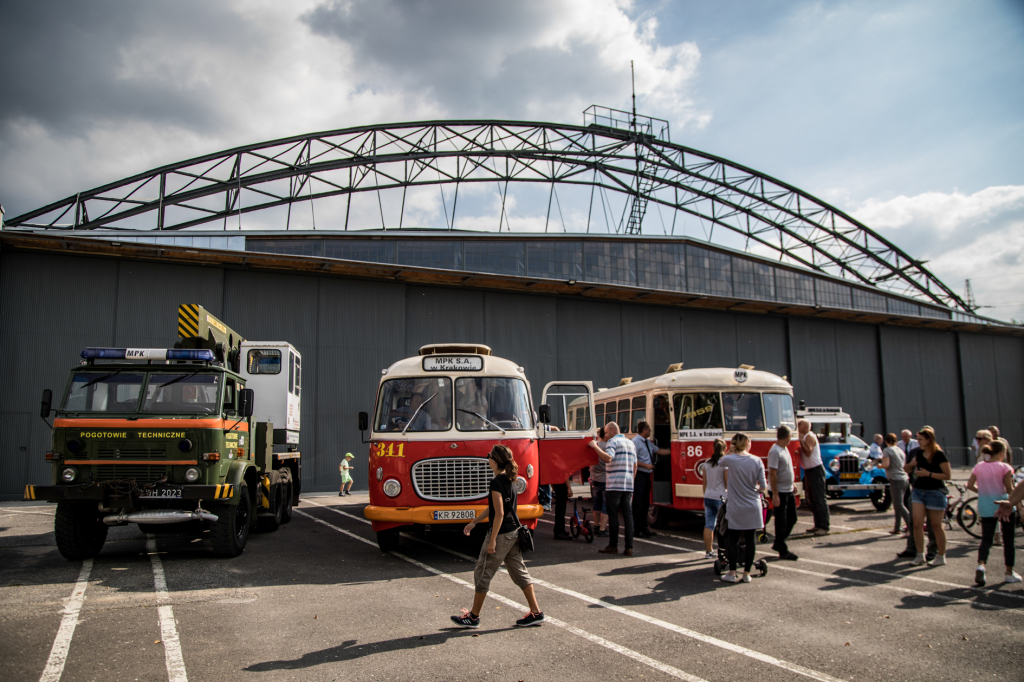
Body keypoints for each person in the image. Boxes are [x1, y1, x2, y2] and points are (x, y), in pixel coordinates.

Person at [452, 445, 545, 628]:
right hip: (514, 533)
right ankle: (536, 612)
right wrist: (475, 521)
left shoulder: (496, 482)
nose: (488, 460)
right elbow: (494, 507)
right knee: (519, 572)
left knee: (483, 572)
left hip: (502, 534)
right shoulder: (511, 478)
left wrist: (492, 540)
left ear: (493, 462)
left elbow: (500, 514)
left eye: (489, 458)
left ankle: (473, 617)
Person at [968, 440, 1021, 585]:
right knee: (1009, 540)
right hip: (1004, 505)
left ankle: (981, 565)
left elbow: (970, 485)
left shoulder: (979, 467)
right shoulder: (1005, 467)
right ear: (1002, 453)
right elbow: (1010, 489)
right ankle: (1009, 572)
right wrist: (1019, 505)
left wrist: (984, 491)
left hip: (985, 506)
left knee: (987, 539)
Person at [720, 433, 767, 583]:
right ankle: (747, 573)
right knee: (750, 539)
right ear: (747, 442)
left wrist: (730, 451)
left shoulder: (730, 459)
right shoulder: (757, 460)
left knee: (733, 538)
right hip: (753, 505)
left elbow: (720, 462)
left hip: (736, 505)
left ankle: (732, 572)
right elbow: (763, 487)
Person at [905, 426, 951, 566]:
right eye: (917, 439)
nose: (918, 442)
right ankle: (919, 555)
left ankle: (941, 555)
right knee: (917, 524)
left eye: (920, 439)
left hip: (935, 491)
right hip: (919, 490)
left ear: (928, 440)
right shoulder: (919, 453)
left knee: (936, 525)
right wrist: (912, 464)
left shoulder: (939, 454)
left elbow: (947, 475)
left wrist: (928, 474)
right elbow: (906, 469)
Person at [597, 421, 637, 556]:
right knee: (628, 515)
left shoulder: (612, 442)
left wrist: (595, 447)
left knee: (613, 515)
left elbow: (608, 458)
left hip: (614, 484)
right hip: (628, 484)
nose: (606, 435)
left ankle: (613, 545)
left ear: (613, 431)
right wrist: (631, 480)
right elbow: (635, 465)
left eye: (607, 432)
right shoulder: (631, 443)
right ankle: (629, 547)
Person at [631, 421, 670, 538]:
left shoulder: (648, 442)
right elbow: (633, 460)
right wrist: (645, 465)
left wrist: (675, 451)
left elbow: (659, 451)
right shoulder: (635, 442)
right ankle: (637, 529)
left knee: (645, 503)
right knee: (638, 503)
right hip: (640, 475)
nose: (650, 431)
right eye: (649, 429)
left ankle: (644, 527)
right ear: (644, 430)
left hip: (647, 476)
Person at [768, 425, 798, 561]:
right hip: (779, 490)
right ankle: (782, 548)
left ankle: (779, 542)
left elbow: (786, 468)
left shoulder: (784, 449)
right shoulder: (775, 451)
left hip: (788, 489)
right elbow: (772, 474)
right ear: (787, 436)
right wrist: (775, 494)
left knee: (792, 518)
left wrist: (792, 484)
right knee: (781, 519)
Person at [797, 419, 829, 536]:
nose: (798, 426)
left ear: (806, 427)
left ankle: (824, 526)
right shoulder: (805, 437)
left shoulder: (809, 436)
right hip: (808, 470)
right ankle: (818, 524)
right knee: (811, 499)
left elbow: (808, 452)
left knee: (819, 498)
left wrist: (801, 440)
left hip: (815, 470)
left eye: (799, 424)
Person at [702, 438, 728, 559]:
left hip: (708, 496)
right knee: (723, 525)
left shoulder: (706, 463)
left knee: (709, 524)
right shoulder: (724, 464)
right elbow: (727, 484)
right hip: (720, 497)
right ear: (725, 448)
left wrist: (705, 494)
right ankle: (724, 550)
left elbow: (704, 483)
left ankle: (709, 551)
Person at [880, 433, 910, 536]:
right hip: (904, 478)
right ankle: (897, 527)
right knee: (898, 504)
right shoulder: (899, 450)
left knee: (899, 505)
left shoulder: (887, 450)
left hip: (895, 479)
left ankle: (912, 527)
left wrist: (879, 465)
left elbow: (886, 465)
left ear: (886, 441)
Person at [588, 427, 610, 537]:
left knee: (596, 502)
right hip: (605, 478)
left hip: (594, 478)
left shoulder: (593, 445)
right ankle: (602, 528)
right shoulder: (607, 447)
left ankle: (596, 525)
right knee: (606, 504)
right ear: (605, 435)